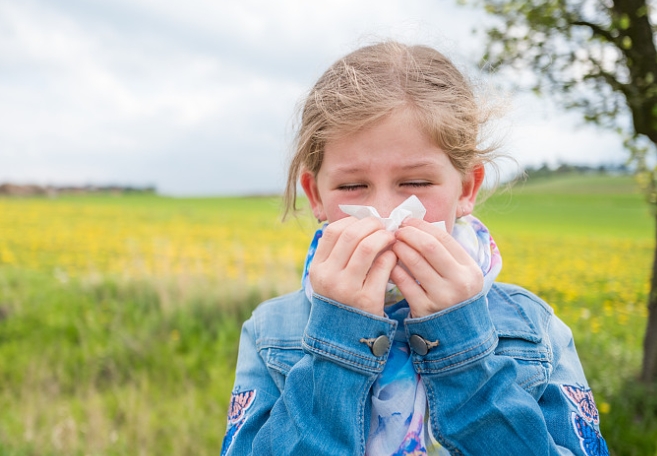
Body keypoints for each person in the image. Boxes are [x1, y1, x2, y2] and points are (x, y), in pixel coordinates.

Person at [220, 41, 608, 456]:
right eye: (353, 187)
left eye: (417, 183)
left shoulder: (534, 329)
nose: (386, 213)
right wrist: (338, 342)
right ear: (315, 195)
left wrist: (462, 349)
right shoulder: (272, 332)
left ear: (468, 187)